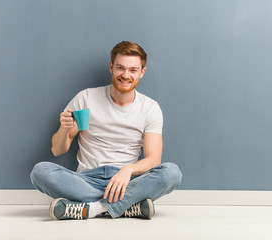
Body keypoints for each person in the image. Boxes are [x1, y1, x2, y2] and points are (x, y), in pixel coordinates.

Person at [30, 41, 182, 220]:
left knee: (172, 173)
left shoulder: (149, 108)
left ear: (142, 72)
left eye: (133, 70)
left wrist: (127, 170)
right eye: (120, 68)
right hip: (86, 180)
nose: (126, 75)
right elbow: (57, 150)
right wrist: (64, 129)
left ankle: (93, 208)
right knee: (40, 172)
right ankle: (126, 207)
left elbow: (153, 160)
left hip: (126, 181)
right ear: (111, 67)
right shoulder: (86, 98)